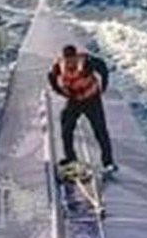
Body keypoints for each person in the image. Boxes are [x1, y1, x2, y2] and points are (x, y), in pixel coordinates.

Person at [47, 43, 116, 175]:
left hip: (92, 100)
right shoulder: (59, 66)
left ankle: (108, 162)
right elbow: (51, 77)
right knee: (66, 127)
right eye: (67, 60)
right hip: (75, 100)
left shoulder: (87, 62)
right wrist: (59, 91)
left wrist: (104, 85)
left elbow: (102, 67)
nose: (70, 62)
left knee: (100, 130)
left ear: (76, 56)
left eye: (72, 59)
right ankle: (71, 158)